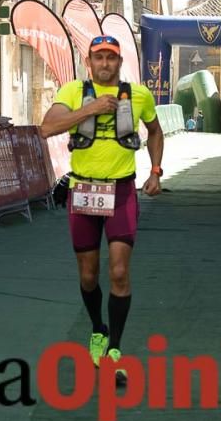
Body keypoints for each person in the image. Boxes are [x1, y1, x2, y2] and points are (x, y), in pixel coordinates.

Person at [40, 34, 164, 386]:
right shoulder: (73, 92)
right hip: (83, 190)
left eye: (111, 57)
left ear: (119, 61)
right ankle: (98, 328)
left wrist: (155, 170)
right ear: (89, 62)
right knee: (89, 275)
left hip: (122, 190)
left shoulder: (138, 95)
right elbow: (47, 128)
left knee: (120, 272)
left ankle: (114, 350)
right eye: (99, 58)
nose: (105, 63)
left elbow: (155, 132)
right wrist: (90, 110)